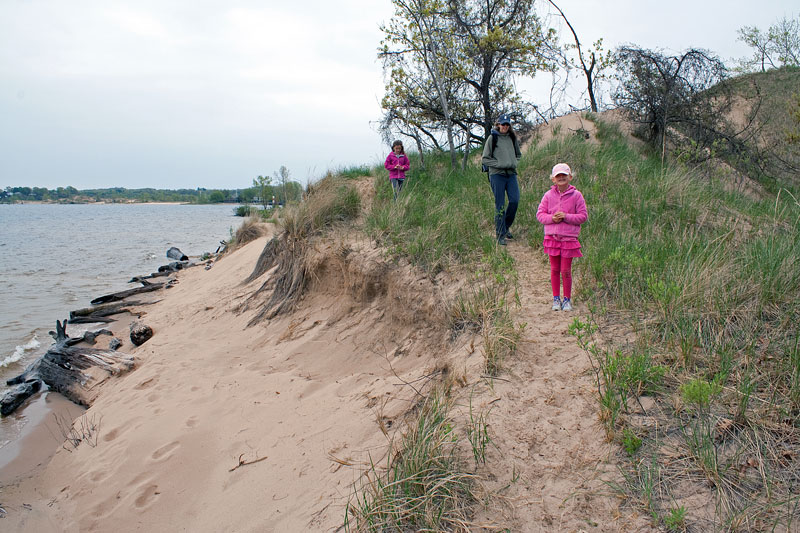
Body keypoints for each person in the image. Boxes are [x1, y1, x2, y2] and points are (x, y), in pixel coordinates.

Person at [536, 163, 588, 312]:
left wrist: (566, 217)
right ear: (553, 179)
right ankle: (556, 299)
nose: (561, 178)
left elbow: (583, 216)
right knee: (554, 269)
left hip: (569, 239)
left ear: (570, 177)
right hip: (552, 238)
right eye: (558, 176)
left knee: (566, 270)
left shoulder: (577, 195)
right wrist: (553, 218)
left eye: (564, 175)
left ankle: (567, 300)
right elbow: (540, 215)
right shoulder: (548, 195)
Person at [481, 114, 522, 245]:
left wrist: (513, 163)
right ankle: (500, 234)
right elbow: (485, 159)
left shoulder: (512, 137)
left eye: (507, 124)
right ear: (498, 124)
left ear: (509, 126)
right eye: (502, 124)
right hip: (497, 175)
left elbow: (518, 155)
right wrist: (499, 164)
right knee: (500, 205)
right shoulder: (492, 138)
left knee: (514, 201)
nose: (504, 127)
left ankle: (505, 227)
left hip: (511, 174)